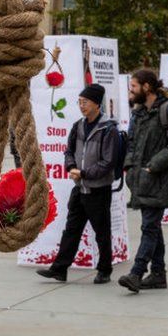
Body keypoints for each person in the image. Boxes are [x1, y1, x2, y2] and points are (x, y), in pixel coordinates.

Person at [37, 84, 118, 284]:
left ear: (97, 104)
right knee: (72, 229)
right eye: (80, 102)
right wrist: (71, 167)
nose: (82, 106)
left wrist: (83, 173)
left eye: (86, 102)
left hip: (98, 189)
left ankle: (105, 270)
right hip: (80, 188)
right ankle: (59, 269)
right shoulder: (78, 126)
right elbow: (69, 151)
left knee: (102, 232)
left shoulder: (108, 129)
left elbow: (108, 162)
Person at [118, 70, 168, 293]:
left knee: (149, 226)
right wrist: (129, 168)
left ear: (147, 87)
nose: (131, 91)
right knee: (153, 226)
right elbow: (131, 143)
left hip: (160, 178)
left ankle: (137, 273)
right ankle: (158, 274)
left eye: (134, 87)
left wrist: (153, 166)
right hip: (140, 178)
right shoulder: (138, 113)